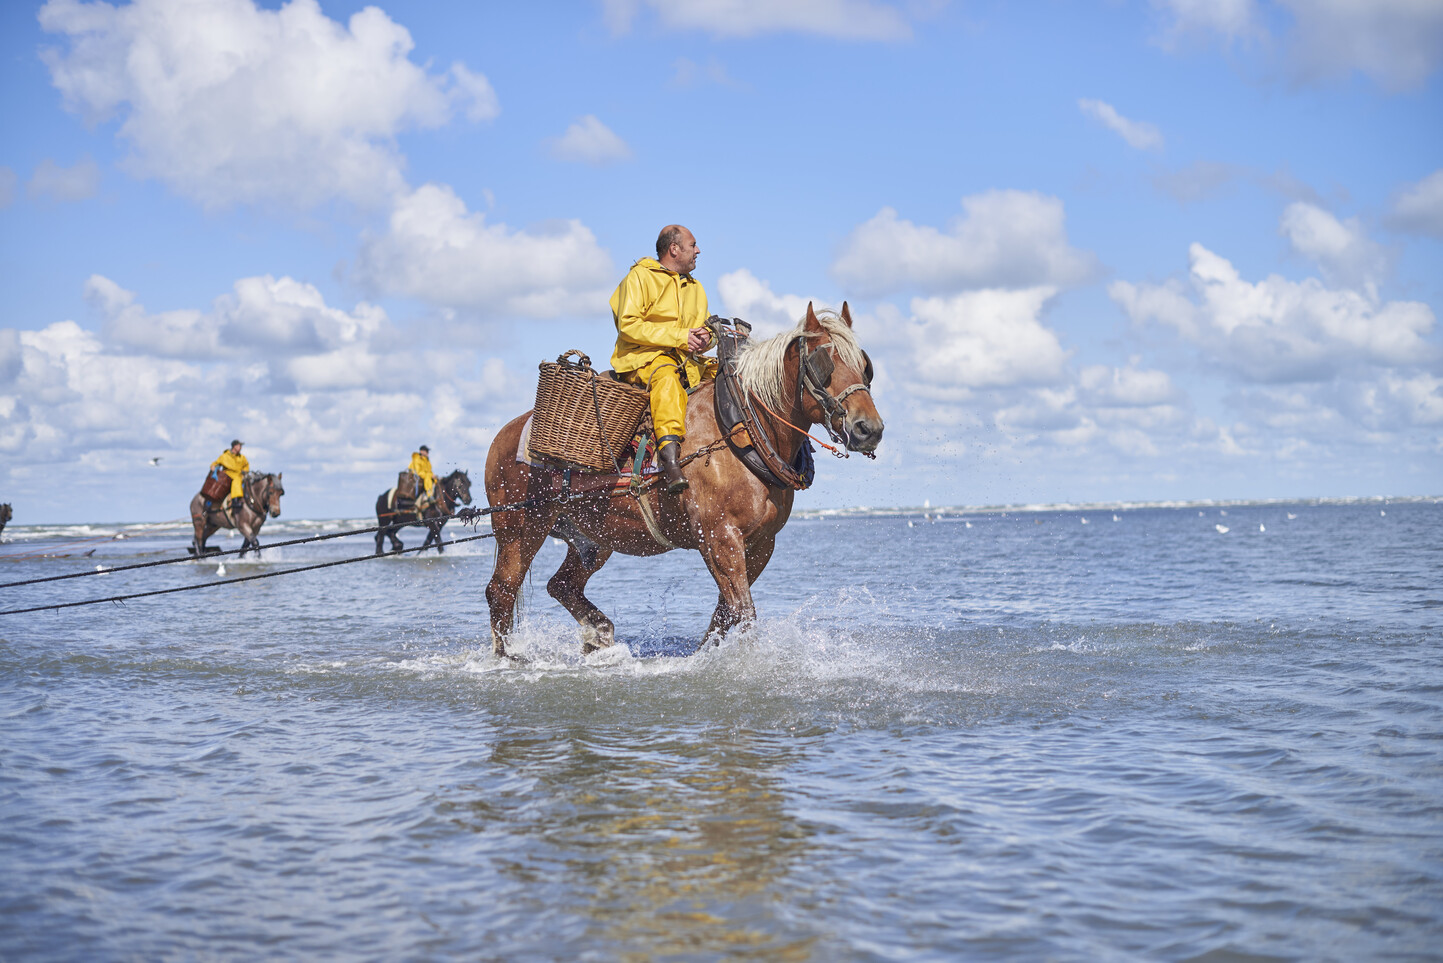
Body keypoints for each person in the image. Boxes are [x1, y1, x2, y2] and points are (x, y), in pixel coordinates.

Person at [610, 224, 716, 494]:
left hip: (688, 362)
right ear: (674, 249)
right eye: (693, 245)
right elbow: (628, 325)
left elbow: (702, 329)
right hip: (643, 360)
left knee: (729, 375)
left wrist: (708, 338)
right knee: (667, 380)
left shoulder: (696, 288)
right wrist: (681, 337)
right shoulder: (639, 278)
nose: (698, 250)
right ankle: (670, 461)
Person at [209, 440, 249, 512]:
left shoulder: (242, 458)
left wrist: (245, 472)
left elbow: (246, 466)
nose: (241, 448)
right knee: (235, 481)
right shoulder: (225, 456)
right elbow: (216, 463)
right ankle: (235, 501)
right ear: (235, 446)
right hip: (227, 476)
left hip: (239, 476)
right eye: (239, 446)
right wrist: (213, 466)